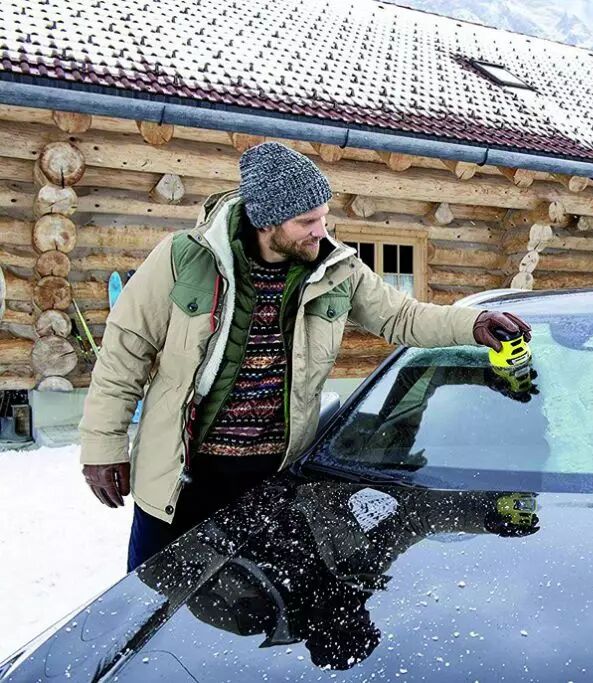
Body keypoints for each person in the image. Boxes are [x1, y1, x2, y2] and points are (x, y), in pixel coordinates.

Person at [78, 142, 531, 571]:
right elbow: (125, 354)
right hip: (182, 476)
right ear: (266, 221)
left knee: (259, 613)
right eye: (307, 221)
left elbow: (402, 316)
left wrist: (471, 324)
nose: (322, 231)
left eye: (324, 218)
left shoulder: (336, 268)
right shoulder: (184, 259)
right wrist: (103, 446)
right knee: (156, 604)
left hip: (271, 480)